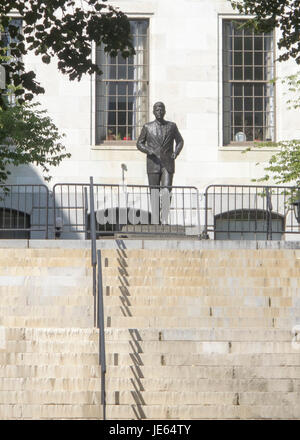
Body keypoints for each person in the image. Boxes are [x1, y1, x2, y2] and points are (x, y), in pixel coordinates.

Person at [137, 102, 184, 223]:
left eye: (161, 110)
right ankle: (155, 220)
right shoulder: (147, 127)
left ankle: (164, 219)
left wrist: (176, 152)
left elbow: (180, 141)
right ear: (153, 112)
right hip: (153, 163)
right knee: (154, 191)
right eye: (157, 110)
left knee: (167, 190)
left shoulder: (172, 126)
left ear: (165, 111)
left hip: (167, 163)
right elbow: (139, 143)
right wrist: (148, 150)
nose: (159, 112)